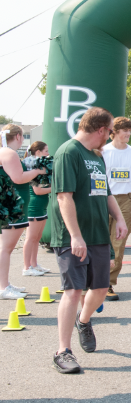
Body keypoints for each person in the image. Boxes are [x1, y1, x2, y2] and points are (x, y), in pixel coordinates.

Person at [48, 107, 128, 374]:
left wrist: (119, 218)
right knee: (73, 291)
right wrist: (75, 236)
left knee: (101, 288)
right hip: (73, 237)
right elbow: (63, 197)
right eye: (109, 133)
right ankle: (63, 351)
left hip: (97, 234)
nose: (108, 138)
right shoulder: (68, 152)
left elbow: (105, 192)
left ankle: (84, 320)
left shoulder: (96, 156)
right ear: (102, 130)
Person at [0, 124, 47, 298]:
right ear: (19, 136)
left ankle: (5, 284)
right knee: (6, 248)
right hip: (10, 206)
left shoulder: (6, 153)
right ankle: (4, 287)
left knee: (7, 248)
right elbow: (18, 178)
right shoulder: (9, 153)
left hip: (11, 205)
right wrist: (38, 170)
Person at [102, 117, 131, 301]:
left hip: (125, 200)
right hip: (103, 199)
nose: (127, 133)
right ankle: (95, 281)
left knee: (118, 242)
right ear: (114, 132)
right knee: (100, 240)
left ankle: (109, 283)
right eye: (124, 130)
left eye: (129, 130)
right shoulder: (103, 151)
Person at [22, 141, 52, 277]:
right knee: (31, 237)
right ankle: (27, 267)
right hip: (34, 207)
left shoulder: (40, 168)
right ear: (38, 152)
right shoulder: (33, 168)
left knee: (37, 237)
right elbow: (38, 190)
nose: (48, 153)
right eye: (46, 151)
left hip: (41, 207)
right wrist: (56, 188)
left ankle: (34, 264)